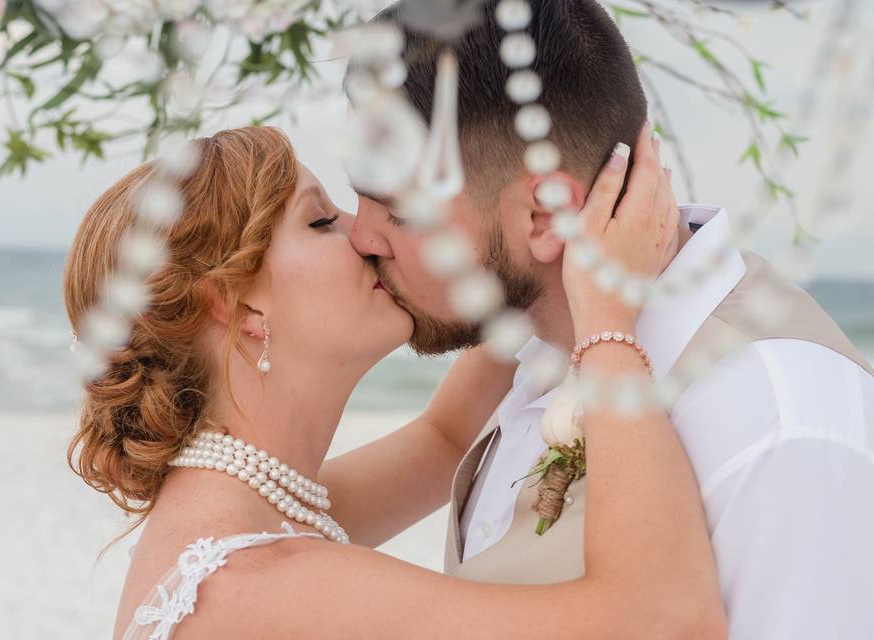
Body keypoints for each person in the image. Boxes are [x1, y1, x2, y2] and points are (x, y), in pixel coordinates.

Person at [63, 126, 724, 638]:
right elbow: (663, 623)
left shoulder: (251, 512)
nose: (367, 233)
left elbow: (443, 442)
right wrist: (607, 320)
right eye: (321, 220)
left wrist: (516, 250)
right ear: (235, 307)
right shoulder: (249, 584)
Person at [348, 1, 874, 638]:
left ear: (544, 217)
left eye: (396, 210)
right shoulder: (531, 336)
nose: (360, 236)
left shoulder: (779, 427)